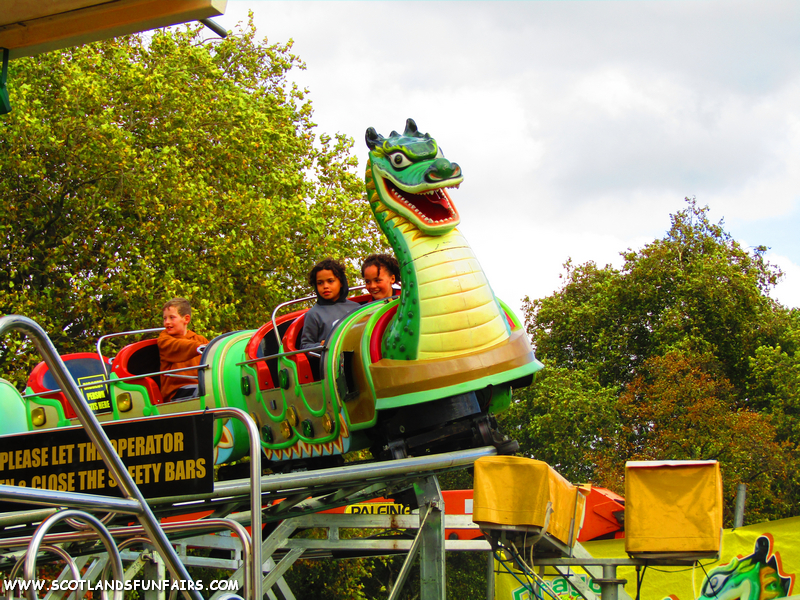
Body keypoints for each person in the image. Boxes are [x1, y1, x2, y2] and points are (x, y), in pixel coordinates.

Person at [300, 258, 360, 349]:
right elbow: (304, 346)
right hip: (329, 362)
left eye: (330, 281)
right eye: (320, 283)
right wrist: (320, 346)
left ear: (341, 283)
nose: (325, 286)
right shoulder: (313, 314)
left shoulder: (356, 308)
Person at [158, 298, 209, 402]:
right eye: (164, 318)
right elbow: (179, 346)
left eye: (172, 318)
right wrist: (198, 347)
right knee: (204, 392)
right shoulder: (164, 339)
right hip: (176, 392)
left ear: (186, 319)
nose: (167, 322)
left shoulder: (199, 339)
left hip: (199, 385)